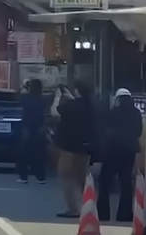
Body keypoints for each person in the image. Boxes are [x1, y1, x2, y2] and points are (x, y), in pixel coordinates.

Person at [97, 88, 143, 222]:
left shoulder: (112, 113)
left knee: (105, 182)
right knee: (126, 183)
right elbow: (139, 132)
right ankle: (125, 215)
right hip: (129, 152)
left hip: (112, 151)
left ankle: (103, 214)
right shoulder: (136, 113)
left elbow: (104, 131)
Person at [51, 80, 95, 218]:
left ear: (77, 91)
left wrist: (58, 97)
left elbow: (54, 112)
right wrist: (71, 97)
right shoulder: (92, 105)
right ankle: (90, 207)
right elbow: (78, 104)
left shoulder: (72, 106)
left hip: (69, 147)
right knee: (83, 178)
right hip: (85, 146)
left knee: (66, 176)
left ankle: (73, 208)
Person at [17, 78, 47, 184]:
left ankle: (23, 176)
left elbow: (18, 96)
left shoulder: (25, 98)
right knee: (38, 153)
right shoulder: (42, 99)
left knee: (24, 152)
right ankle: (40, 177)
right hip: (39, 127)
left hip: (27, 127)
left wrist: (24, 86)